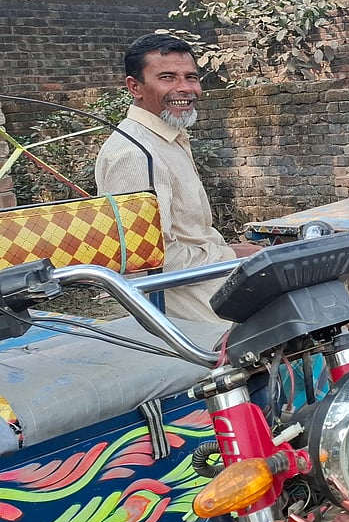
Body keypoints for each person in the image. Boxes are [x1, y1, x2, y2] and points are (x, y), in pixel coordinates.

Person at [95, 33, 260, 322]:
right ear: (135, 87)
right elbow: (146, 261)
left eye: (191, 78)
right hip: (182, 305)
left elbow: (184, 236)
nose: (185, 89)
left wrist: (231, 252)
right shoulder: (134, 153)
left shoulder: (168, 136)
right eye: (168, 78)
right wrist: (231, 255)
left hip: (209, 280)